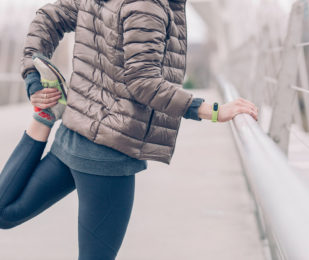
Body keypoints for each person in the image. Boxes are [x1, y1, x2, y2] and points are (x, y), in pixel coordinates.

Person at [0, 0, 258, 259]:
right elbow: (143, 82)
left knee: (5, 212)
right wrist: (211, 110)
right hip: (107, 153)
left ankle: (44, 119)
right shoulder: (147, 5)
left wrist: (33, 76)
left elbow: (48, 16)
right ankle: (46, 116)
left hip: (73, 136)